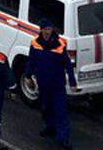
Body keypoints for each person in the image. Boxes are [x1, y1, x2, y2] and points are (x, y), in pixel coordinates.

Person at [24, 20, 78, 149]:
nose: (47, 32)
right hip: (43, 83)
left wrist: (72, 82)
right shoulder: (35, 43)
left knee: (60, 110)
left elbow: (68, 65)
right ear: (41, 30)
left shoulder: (59, 44)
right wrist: (27, 76)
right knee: (46, 107)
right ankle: (50, 127)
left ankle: (63, 138)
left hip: (57, 84)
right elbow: (31, 61)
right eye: (45, 29)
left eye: (49, 29)